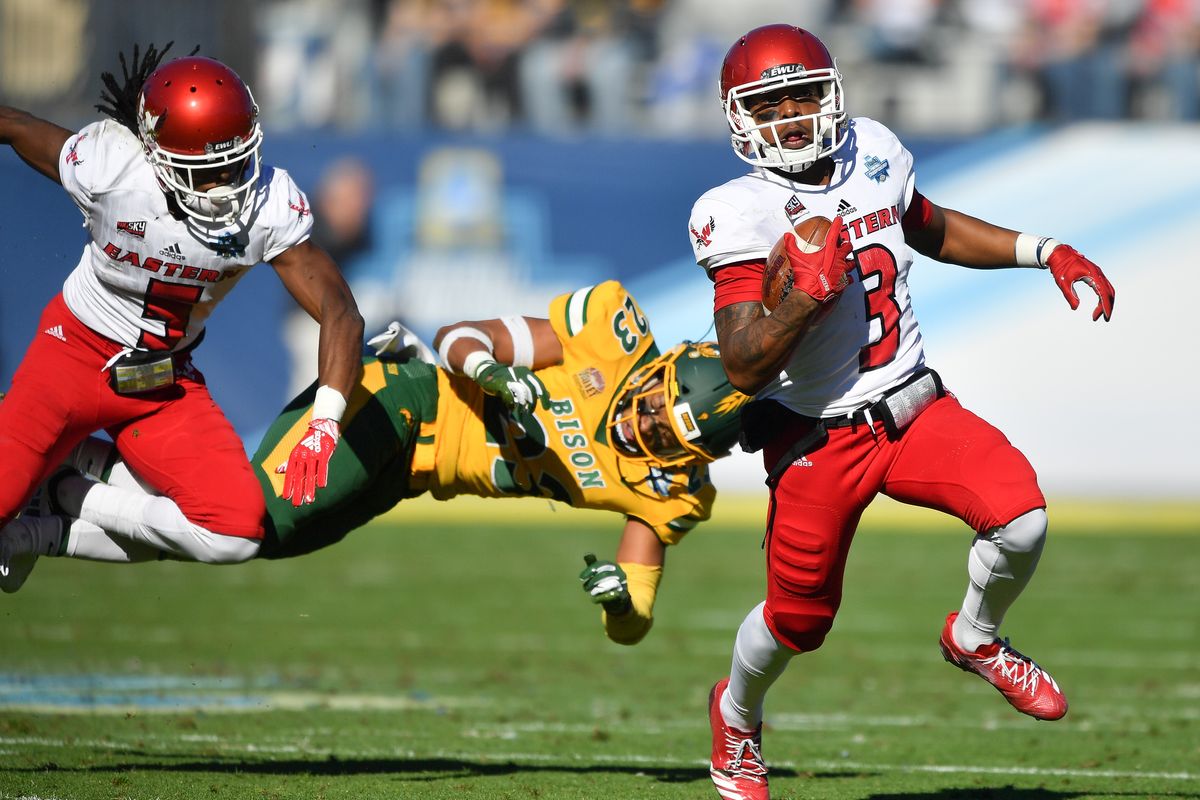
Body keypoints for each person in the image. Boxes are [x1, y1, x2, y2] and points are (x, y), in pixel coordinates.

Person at [687, 25, 1116, 800]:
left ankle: (975, 637)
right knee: (799, 623)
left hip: (914, 406)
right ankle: (738, 717)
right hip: (819, 432)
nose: (791, 114)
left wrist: (1044, 248)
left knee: (1022, 518)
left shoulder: (873, 149)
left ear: (832, 93)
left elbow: (932, 227)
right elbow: (745, 362)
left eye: (805, 94)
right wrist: (801, 303)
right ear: (740, 117)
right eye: (771, 101)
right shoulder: (737, 211)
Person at [13, 281, 749, 645]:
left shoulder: (670, 491)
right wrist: (492, 374)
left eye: (663, 435)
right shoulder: (612, 336)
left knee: (270, 535)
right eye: (653, 404)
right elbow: (458, 333)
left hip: (406, 476)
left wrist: (619, 598)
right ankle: (62, 493)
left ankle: (63, 492)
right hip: (400, 398)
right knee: (245, 524)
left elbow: (635, 621)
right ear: (665, 369)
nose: (642, 423)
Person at [0, 43, 365, 590]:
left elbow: (340, 310)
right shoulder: (112, 167)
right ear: (154, 154)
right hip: (70, 356)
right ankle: (51, 461)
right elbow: (18, 125)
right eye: (205, 172)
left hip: (162, 381)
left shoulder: (266, 205)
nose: (226, 188)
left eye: (234, 162)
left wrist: (325, 421)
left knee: (234, 532)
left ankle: (49, 511)